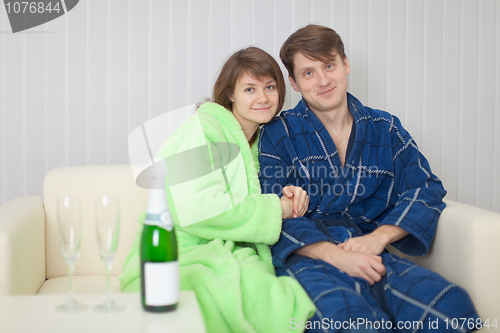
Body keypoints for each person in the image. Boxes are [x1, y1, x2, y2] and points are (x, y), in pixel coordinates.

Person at [258, 24, 480, 332]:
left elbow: (425, 187)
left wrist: (378, 239)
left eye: (329, 65)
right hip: (310, 256)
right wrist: (336, 256)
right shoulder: (277, 133)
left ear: (345, 64)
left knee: (450, 306)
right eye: (308, 73)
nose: (323, 80)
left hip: (370, 249)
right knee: (346, 318)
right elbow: (268, 206)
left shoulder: (384, 127)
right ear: (294, 83)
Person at [119, 47, 316, 333]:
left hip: (231, 250)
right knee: (241, 298)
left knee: (284, 295)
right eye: (250, 89)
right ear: (231, 95)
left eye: (270, 87)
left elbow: (269, 189)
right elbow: (196, 208)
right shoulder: (202, 130)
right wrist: (277, 209)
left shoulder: (267, 140)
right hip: (179, 252)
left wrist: (291, 194)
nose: (262, 98)